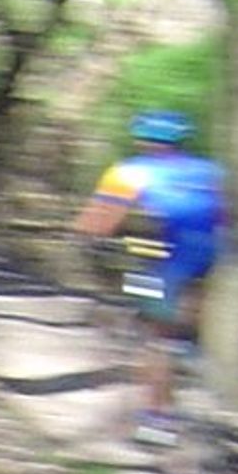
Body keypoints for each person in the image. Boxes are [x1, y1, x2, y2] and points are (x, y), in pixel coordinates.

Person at [71, 110, 228, 445]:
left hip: (161, 263)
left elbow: (98, 223)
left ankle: (156, 419)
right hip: (208, 259)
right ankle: (189, 349)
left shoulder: (130, 171)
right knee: (180, 323)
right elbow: (224, 218)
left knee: (153, 335)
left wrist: (83, 237)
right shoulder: (212, 172)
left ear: (142, 139)